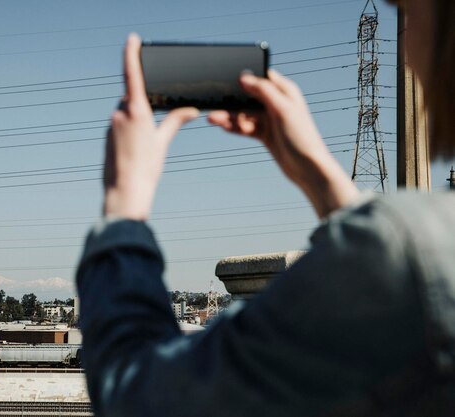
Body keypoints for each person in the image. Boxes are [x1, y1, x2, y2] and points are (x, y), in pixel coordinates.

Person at [75, 0, 455, 415]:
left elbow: (138, 394)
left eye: (408, 9)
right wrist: (319, 177)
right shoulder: (425, 243)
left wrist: (124, 205)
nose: (404, 34)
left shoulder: (407, 257)